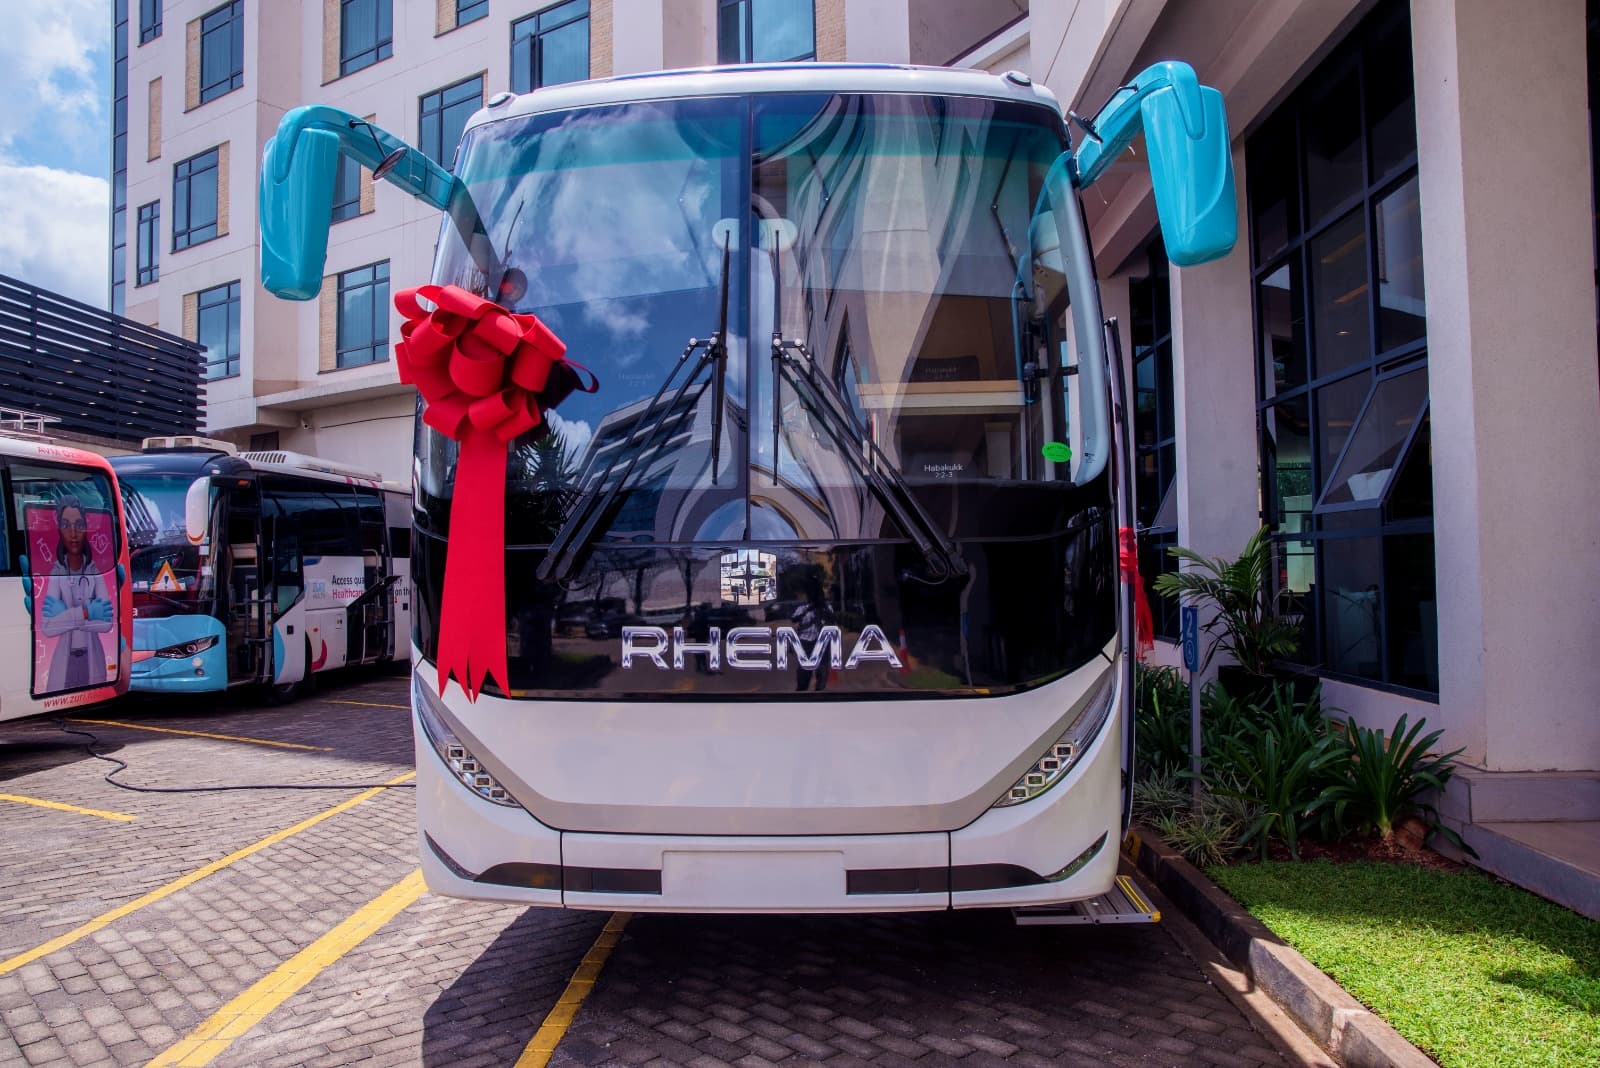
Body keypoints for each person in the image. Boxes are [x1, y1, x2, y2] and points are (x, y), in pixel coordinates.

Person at [39, 496, 114, 692]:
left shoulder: (96, 572)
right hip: (65, 662)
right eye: (66, 525)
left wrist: (65, 617)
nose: (73, 533)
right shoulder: (56, 573)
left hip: (92, 659)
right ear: (59, 530)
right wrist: (86, 612)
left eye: (79, 525)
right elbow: (47, 628)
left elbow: (107, 624)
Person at [792, 576, 834, 693]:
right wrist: (809, 609)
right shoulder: (802, 608)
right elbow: (794, 619)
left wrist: (822, 608)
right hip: (805, 642)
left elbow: (832, 619)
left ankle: (820, 691)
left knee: (823, 668)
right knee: (804, 670)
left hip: (820, 642)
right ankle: (801, 690)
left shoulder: (826, 608)